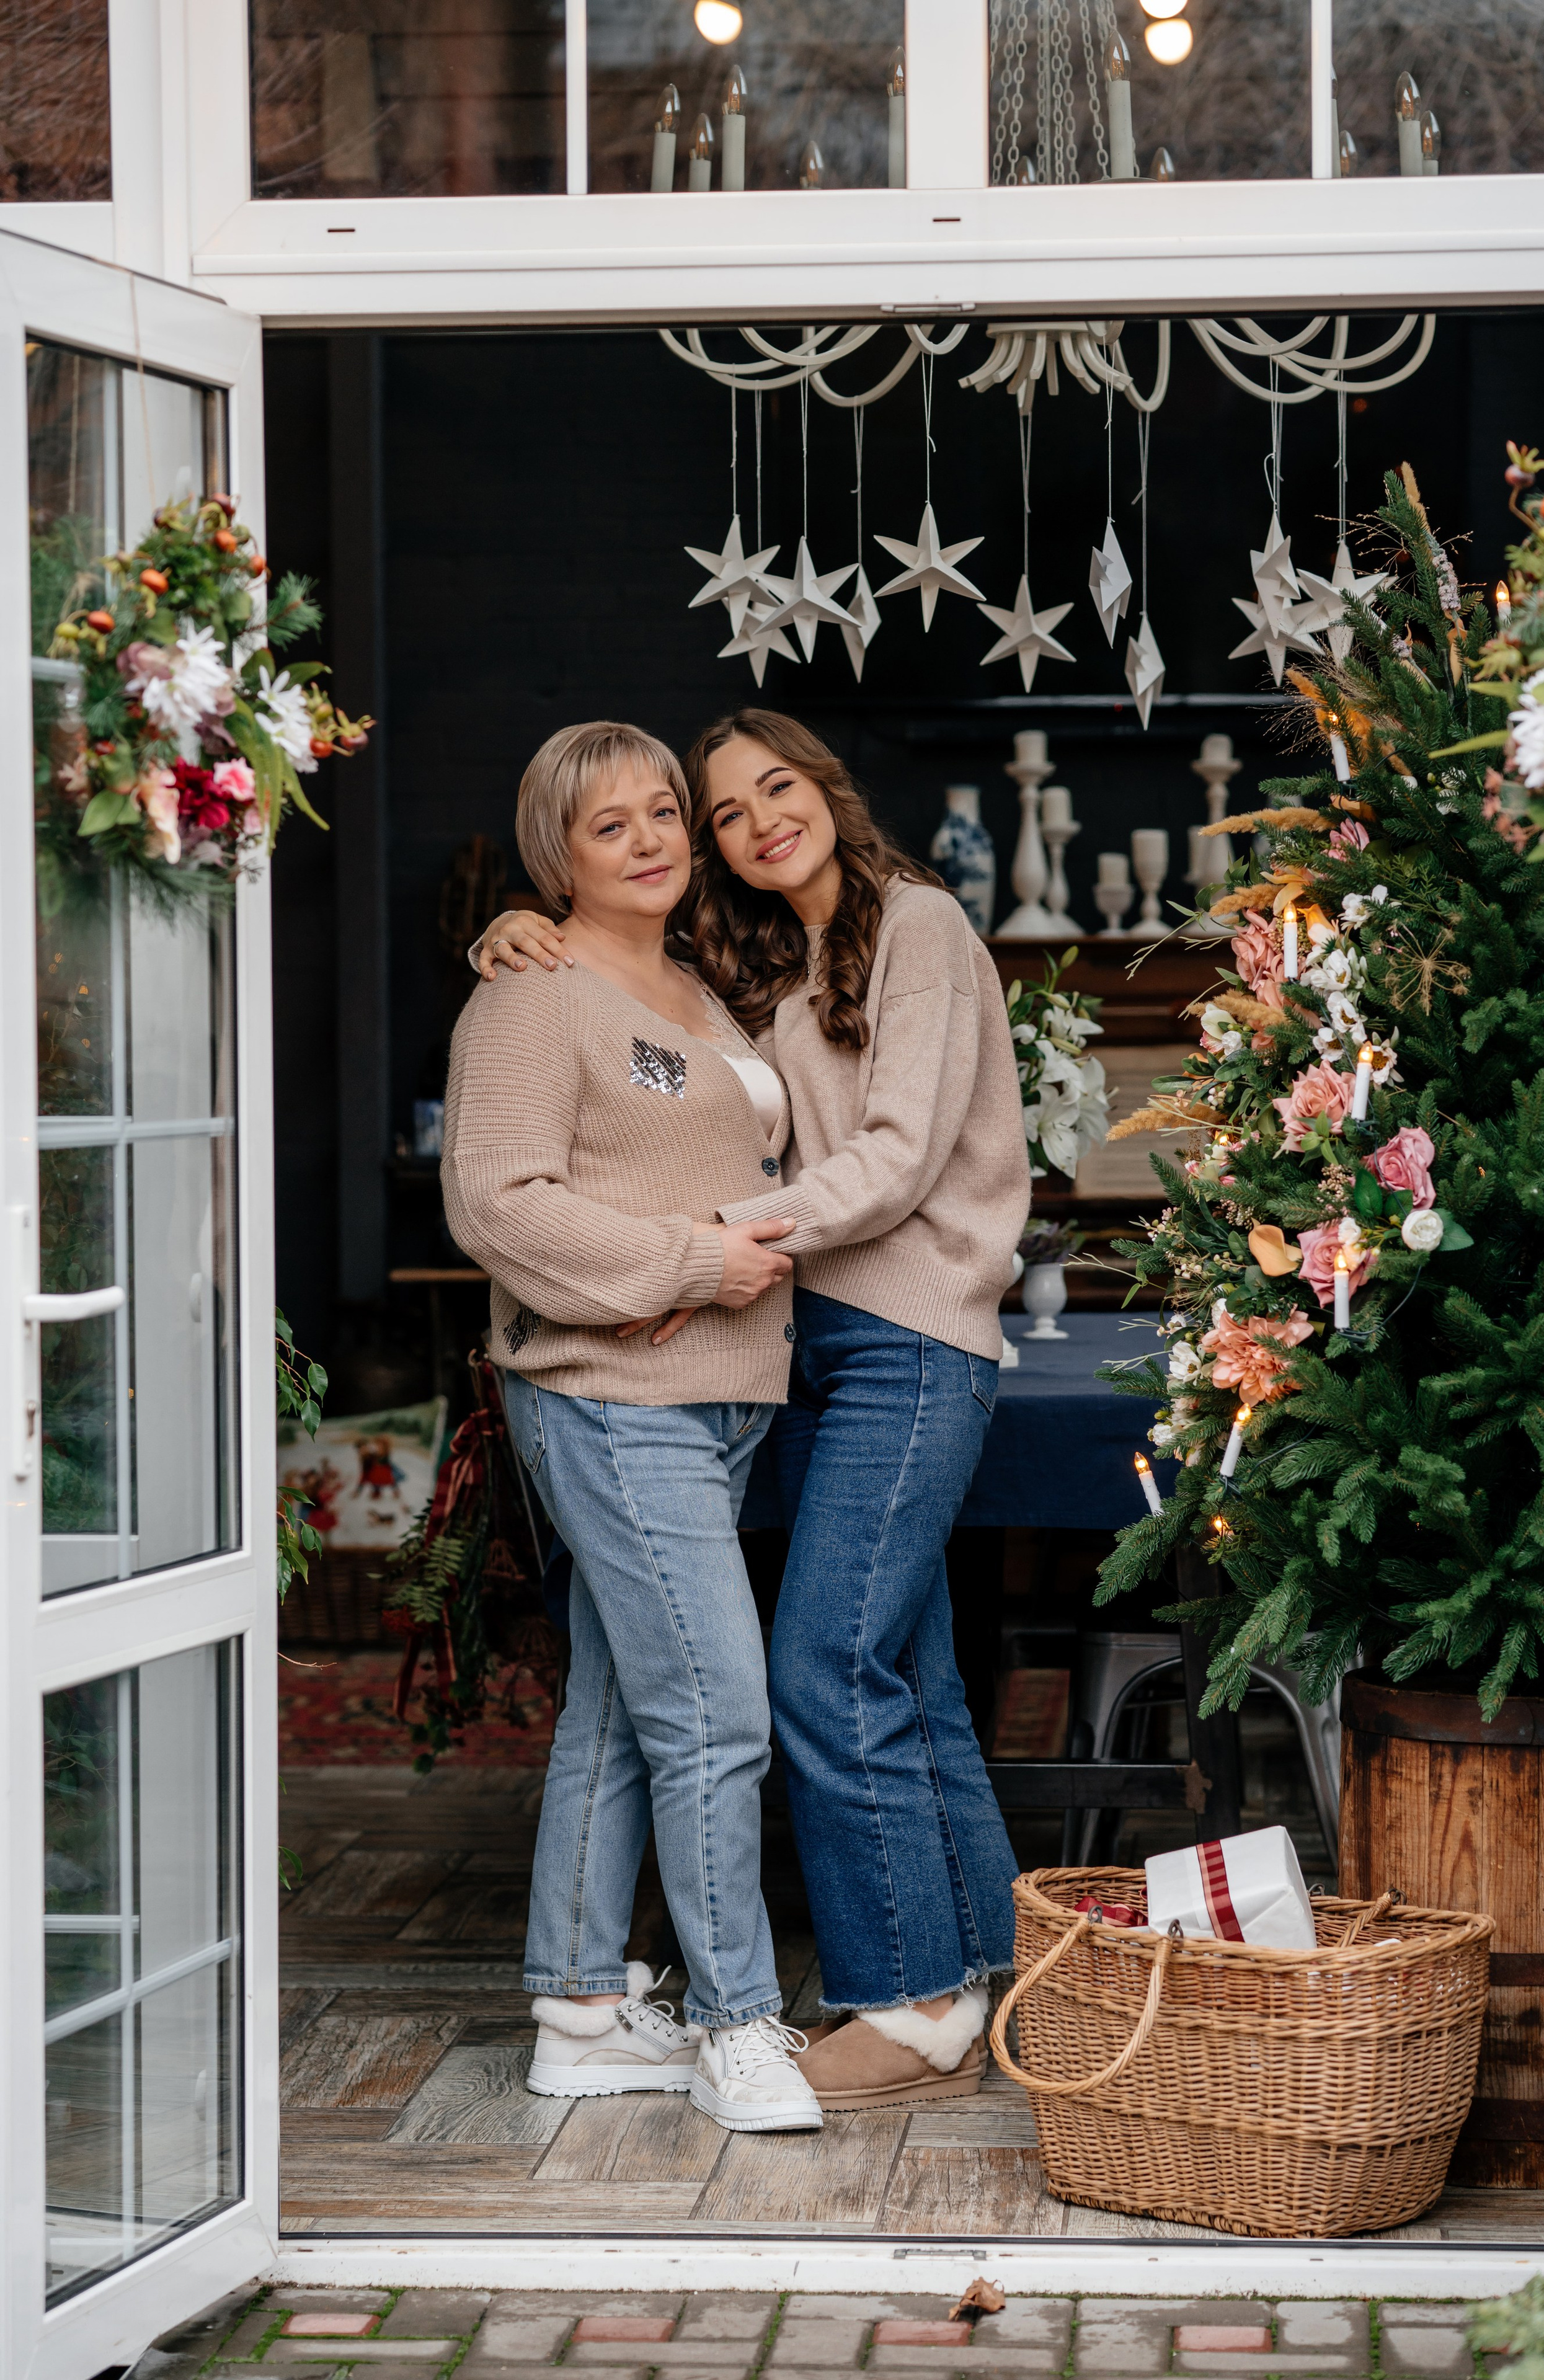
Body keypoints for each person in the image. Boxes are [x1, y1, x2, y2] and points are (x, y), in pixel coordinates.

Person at [473, 709, 1030, 2113]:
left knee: (816, 1674)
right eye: (714, 810)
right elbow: (536, 1146)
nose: (736, 824)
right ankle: (994, 1981)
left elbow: (895, 1159)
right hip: (778, 1352)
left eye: (760, 790)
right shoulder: (751, 978)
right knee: (896, 1677)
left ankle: (904, 2001)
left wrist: (719, 1238)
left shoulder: (919, 925)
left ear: (828, 786)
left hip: (896, 1339)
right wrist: (514, 932)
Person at [442, 718, 822, 2133]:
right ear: (558, 853)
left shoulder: (694, 986)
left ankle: (583, 2009)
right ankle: (734, 2021)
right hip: (612, 1402)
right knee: (718, 1710)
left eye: (668, 811)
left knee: (620, 1704)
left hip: (712, 1402)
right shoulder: (530, 997)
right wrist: (687, 1265)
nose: (656, 838)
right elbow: (498, 1199)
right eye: (615, 825)